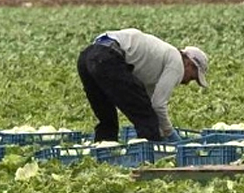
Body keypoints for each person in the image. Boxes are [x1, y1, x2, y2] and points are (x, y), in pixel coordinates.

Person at [77, 28, 209, 143]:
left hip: (88, 57)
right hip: (107, 57)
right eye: (192, 77)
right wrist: (169, 132)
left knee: (107, 119)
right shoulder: (176, 63)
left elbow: (147, 98)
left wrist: (160, 128)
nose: (187, 83)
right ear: (189, 64)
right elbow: (158, 105)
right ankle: (151, 161)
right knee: (147, 119)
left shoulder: (157, 59)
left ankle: (103, 155)